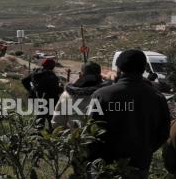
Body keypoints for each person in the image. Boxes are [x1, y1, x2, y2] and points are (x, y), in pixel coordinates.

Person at [89, 49, 171, 178]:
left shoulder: (102, 95)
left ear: (119, 67)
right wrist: (146, 150)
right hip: (140, 165)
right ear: (144, 68)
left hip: (107, 166)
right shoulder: (157, 97)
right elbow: (164, 132)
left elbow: (91, 132)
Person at [52, 61, 109, 129]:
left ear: (80, 75)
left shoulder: (66, 95)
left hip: (75, 137)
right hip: (100, 136)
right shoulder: (107, 94)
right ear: (100, 75)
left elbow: (57, 123)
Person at [22, 58, 61, 128]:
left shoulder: (35, 72)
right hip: (49, 101)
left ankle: (37, 135)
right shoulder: (51, 76)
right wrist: (62, 89)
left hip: (35, 99)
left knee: (40, 119)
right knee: (51, 120)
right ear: (52, 67)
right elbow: (54, 91)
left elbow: (24, 81)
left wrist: (31, 90)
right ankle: (50, 135)